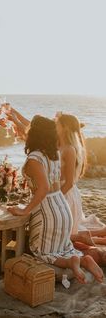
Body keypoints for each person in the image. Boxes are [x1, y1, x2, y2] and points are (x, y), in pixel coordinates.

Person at [8, 115, 103, 284]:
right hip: (62, 206)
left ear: (34, 134)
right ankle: (83, 260)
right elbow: (56, 184)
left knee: (41, 251)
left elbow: (43, 188)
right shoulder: (54, 155)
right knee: (61, 247)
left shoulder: (34, 158)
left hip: (47, 212)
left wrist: (25, 210)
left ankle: (71, 262)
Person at [56, 113, 105, 245]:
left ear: (64, 127)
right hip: (59, 191)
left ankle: (98, 237)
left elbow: (70, 182)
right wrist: (14, 117)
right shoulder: (59, 145)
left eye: (57, 123)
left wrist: (56, 199)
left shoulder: (70, 149)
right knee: (66, 235)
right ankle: (99, 235)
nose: (55, 125)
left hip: (65, 193)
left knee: (65, 239)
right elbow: (35, 130)